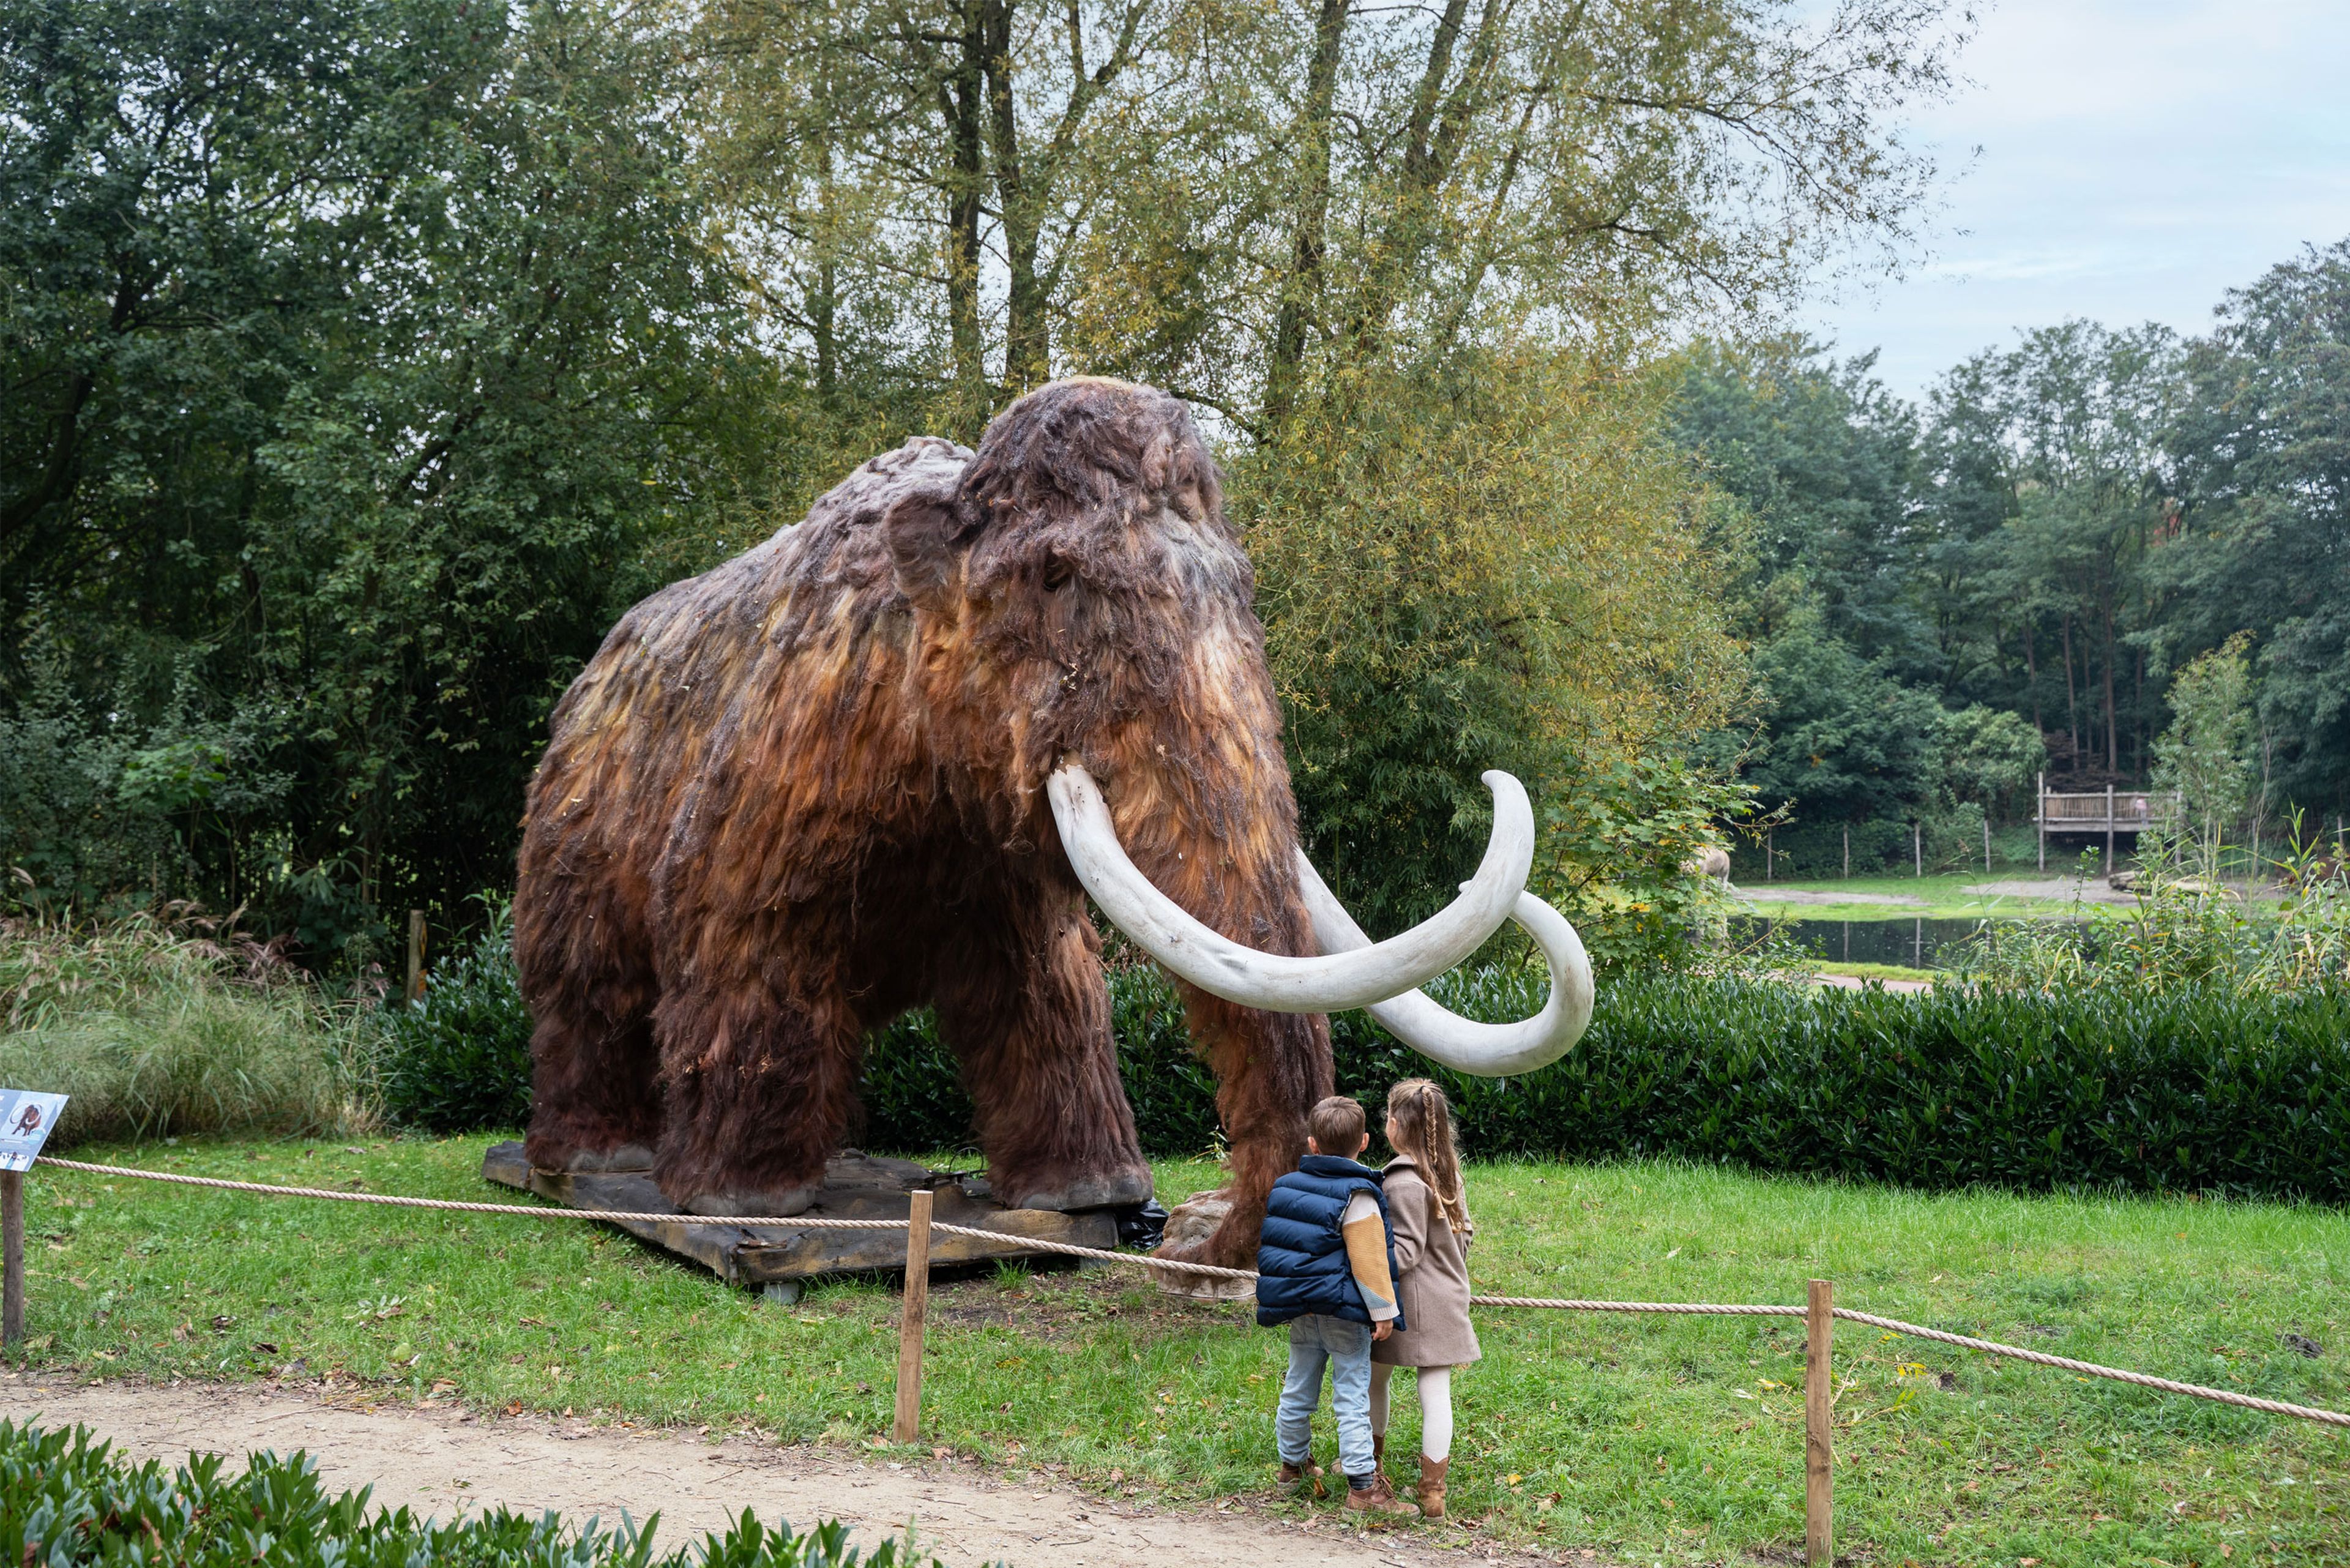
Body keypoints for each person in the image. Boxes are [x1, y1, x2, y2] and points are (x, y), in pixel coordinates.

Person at [1255, 1094, 1419, 1516]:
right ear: (1363, 1142)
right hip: (1343, 1313)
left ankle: (1292, 1467)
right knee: (1351, 1396)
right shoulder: (1358, 1195)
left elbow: (1280, 1247)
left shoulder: (1286, 1186)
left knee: (1298, 1388)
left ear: (1312, 1144)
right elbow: (1369, 1261)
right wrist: (1383, 1311)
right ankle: (1363, 1489)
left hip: (1301, 1309)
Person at [1368, 1078, 1480, 1520]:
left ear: (1395, 1125)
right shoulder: (1447, 1172)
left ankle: (1372, 1467)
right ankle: (1433, 1494)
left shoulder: (1401, 1181)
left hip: (1406, 1307)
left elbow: (1406, 1251)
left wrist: (1361, 1264)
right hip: (1448, 1298)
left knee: (1376, 1380)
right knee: (1436, 1394)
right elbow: (1465, 1236)